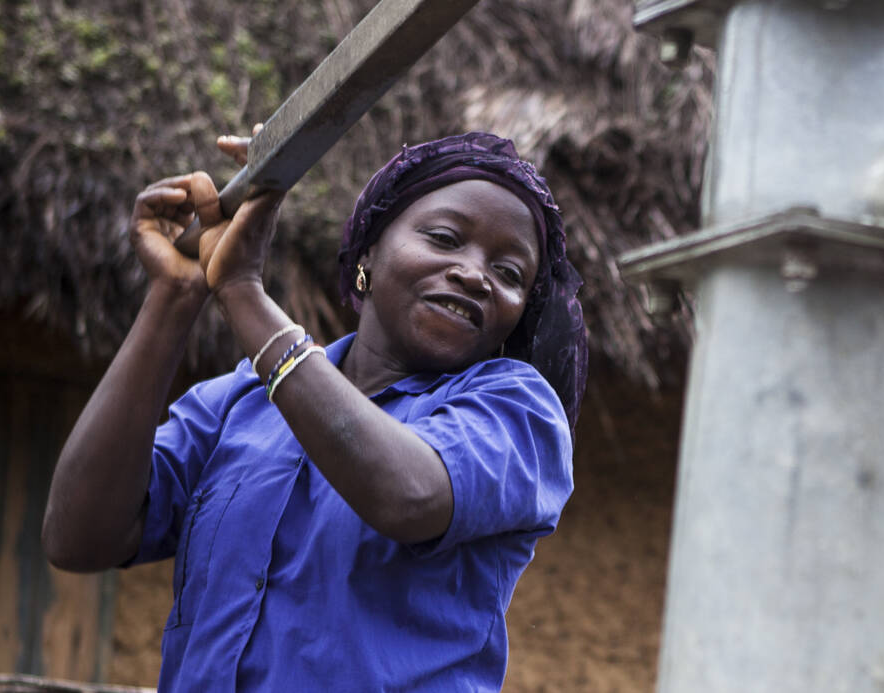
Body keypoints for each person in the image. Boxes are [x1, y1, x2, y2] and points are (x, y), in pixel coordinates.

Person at [41, 131, 586, 691]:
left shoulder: (518, 411)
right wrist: (175, 295)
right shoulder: (240, 402)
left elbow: (408, 495)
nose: (475, 273)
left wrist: (242, 292)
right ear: (369, 251)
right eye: (445, 238)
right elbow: (79, 539)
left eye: (510, 273)